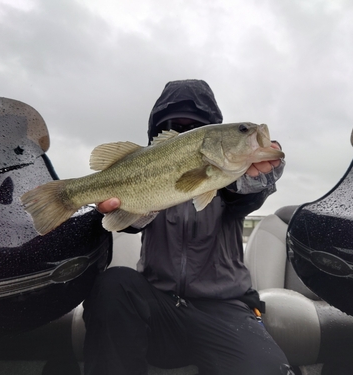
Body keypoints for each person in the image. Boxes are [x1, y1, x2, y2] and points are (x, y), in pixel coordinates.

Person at [82, 79, 293, 375]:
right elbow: (126, 226)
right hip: (157, 307)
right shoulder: (146, 170)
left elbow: (247, 194)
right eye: (174, 127)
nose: (182, 133)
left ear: (209, 133)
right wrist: (126, 208)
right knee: (112, 284)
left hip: (225, 310)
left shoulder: (231, 182)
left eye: (193, 127)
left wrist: (257, 176)